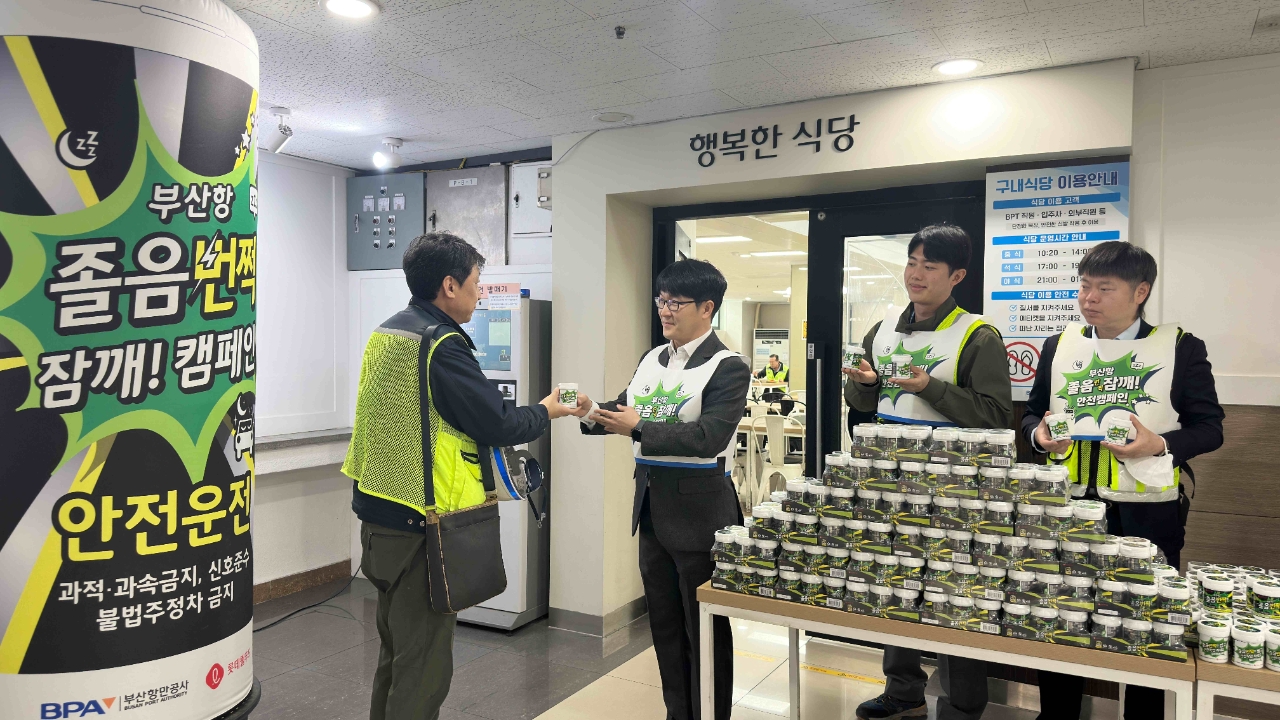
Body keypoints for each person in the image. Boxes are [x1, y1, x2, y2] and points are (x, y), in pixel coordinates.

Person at [342, 232, 588, 720]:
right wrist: (547, 409)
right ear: (449, 286)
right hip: (422, 523)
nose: (480, 292)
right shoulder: (442, 344)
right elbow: (497, 423)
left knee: (397, 655)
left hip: (378, 514)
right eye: (476, 282)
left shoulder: (389, 332)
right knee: (423, 668)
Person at [1023, 241, 1223, 720]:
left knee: (1145, 631)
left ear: (1140, 292)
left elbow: (1210, 427)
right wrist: (1038, 436)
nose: (1089, 298)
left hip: (1146, 517)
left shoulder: (1180, 348)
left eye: (1104, 288)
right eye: (1084, 286)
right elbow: (1032, 413)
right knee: (1061, 620)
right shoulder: (1059, 345)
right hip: (1067, 511)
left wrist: (1160, 444)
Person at [844, 224, 1012, 720]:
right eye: (912, 263)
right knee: (894, 583)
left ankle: (962, 706)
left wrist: (930, 388)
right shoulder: (881, 331)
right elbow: (864, 405)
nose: (916, 274)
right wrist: (865, 384)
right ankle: (903, 692)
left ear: (957, 276)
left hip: (954, 491)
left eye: (930, 266)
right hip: (888, 484)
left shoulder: (978, 335)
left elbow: (997, 417)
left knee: (956, 593)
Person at [580, 259, 751, 720]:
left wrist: (639, 428)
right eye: (661, 299)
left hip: (701, 517)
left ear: (707, 308)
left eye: (676, 302)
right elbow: (626, 408)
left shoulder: (729, 366)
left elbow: (708, 437)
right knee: (666, 629)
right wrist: (590, 411)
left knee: (705, 631)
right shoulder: (652, 358)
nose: (665, 310)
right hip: (653, 512)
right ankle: (678, 713)